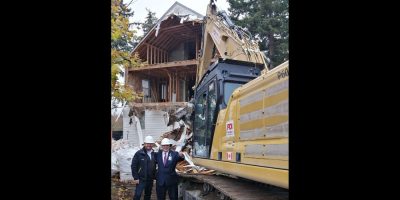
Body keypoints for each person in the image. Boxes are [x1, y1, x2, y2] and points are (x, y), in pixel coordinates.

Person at [131, 136, 157, 200]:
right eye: (147, 143)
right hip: (141, 179)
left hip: (150, 179)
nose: (149, 145)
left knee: (147, 195)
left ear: (153, 145)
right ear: (144, 144)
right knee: (137, 195)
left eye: (150, 144)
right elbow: (133, 166)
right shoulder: (139, 153)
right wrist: (136, 177)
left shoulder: (154, 154)